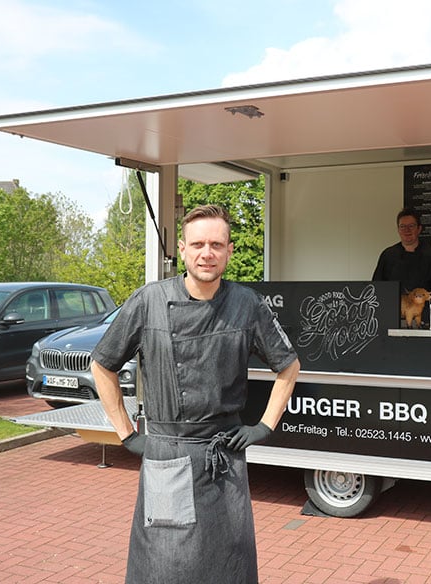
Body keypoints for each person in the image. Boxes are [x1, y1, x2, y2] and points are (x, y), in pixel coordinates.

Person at [91, 204, 300, 584]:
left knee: (229, 562)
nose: (207, 253)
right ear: (183, 250)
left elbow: (288, 365)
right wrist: (126, 434)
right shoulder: (149, 301)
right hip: (168, 454)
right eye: (199, 244)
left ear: (229, 251)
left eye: (216, 245)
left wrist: (265, 426)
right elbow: (102, 365)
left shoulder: (247, 304)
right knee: (165, 565)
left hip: (225, 457)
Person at [372, 208, 431, 325]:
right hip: (393, 316)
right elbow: (377, 287)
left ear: (419, 228)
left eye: (411, 226)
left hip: (423, 316)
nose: (407, 230)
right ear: (398, 229)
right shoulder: (388, 255)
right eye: (402, 226)